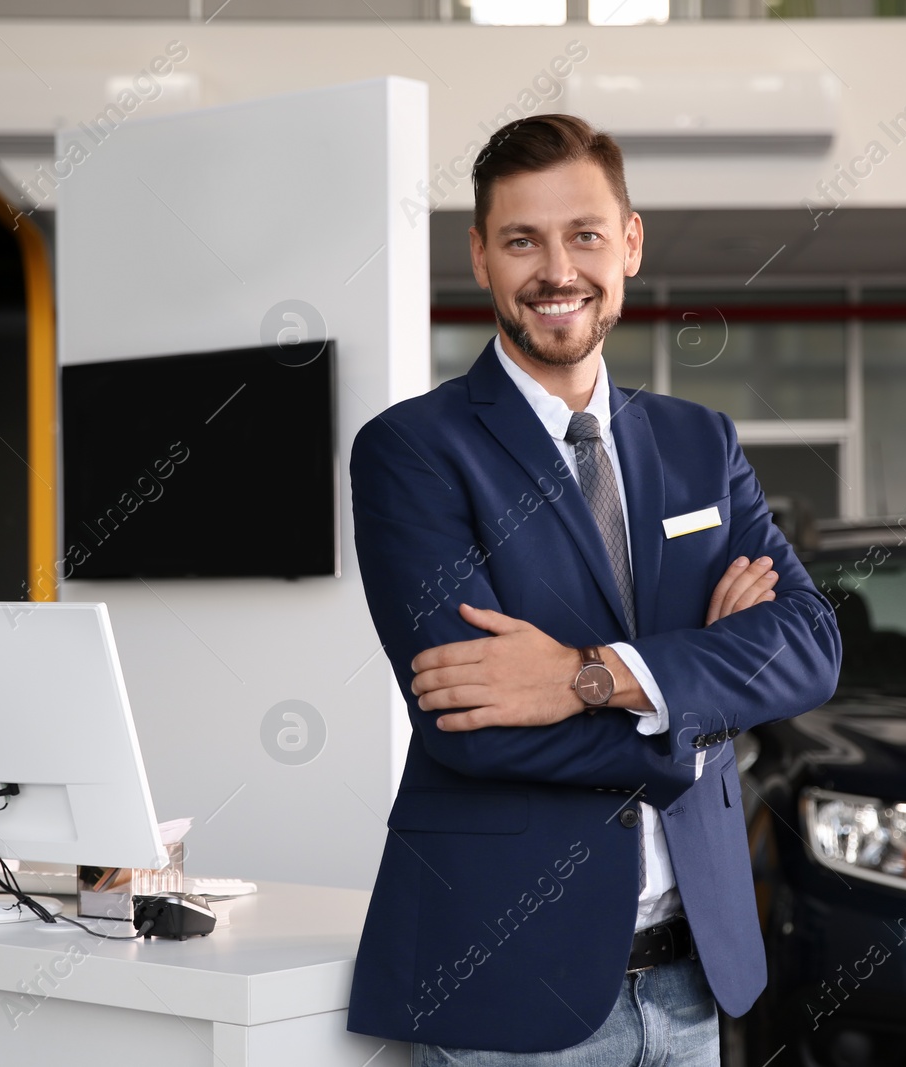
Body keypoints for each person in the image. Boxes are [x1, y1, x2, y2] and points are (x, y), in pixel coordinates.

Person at [345, 113, 841, 1066]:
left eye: (583, 235)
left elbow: (810, 644)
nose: (556, 270)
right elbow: (471, 717)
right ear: (481, 256)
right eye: (522, 239)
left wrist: (587, 675)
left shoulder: (704, 443)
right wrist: (695, 722)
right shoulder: (413, 451)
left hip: (692, 977)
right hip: (509, 982)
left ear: (630, 244)